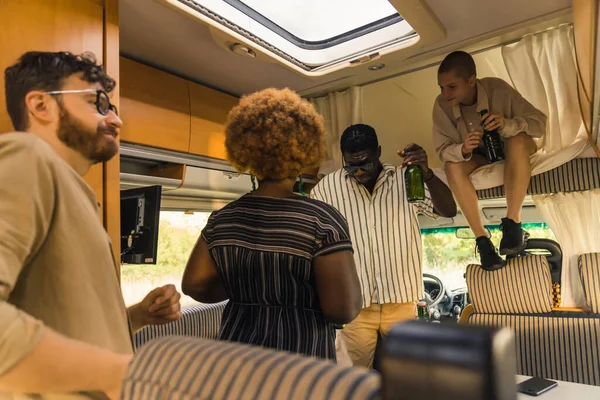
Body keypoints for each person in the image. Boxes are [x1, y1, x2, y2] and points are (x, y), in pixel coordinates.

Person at [0, 51, 182, 400]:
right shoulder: (27, 156)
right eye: (98, 103)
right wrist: (123, 377)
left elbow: (62, 323)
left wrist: (136, 316)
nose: (116, 120)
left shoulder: (76, 194)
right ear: (41, 105)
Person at [181, 88, 362, 361]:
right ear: (304, 152)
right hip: (300, 364)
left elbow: (195, 286)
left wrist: (246, 288)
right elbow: (342, 310)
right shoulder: (322, 219)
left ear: (246, 154)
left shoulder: (222, 219)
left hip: (236, 361)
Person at [310, 124, 457, 369]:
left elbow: (448, 211)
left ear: (378, 152)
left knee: (410, 376)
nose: (358, 171)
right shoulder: (326, 189)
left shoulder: (406, 179)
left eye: (365, 163)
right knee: (352, 381)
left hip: (402, 302)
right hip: (356, 305)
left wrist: (427, 174)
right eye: (351, 165)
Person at [433, 51, 547, 270]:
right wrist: (463, 148)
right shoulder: (441, 105)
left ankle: (512, 224)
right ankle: (482, 241)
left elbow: (539, 125)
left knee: (515, 140)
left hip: (516, 146)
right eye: (441, 87)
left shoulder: (497, 89)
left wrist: (506, 124)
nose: (445, 94)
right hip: (479, 155)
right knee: (452, 166)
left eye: (452, 87)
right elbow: (442, 150)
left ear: (471, 80)